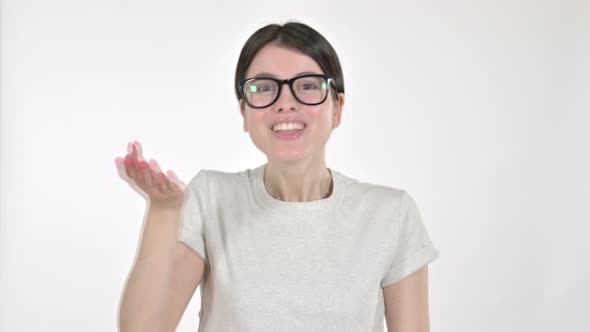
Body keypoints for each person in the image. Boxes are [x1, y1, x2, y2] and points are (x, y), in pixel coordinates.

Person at [116, 21, 440, 332]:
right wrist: (164, 210)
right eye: (265, 88)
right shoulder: (211, 198)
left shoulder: (391, 214)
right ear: (244, 112)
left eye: (308, 86)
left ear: (337, 108)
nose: (285, 103)